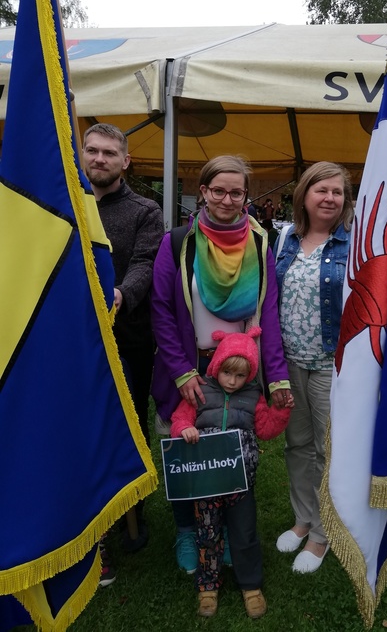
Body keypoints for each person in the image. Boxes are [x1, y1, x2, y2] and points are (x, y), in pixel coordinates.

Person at [150, 154, 292, 575]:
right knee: (185, 448)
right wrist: (181, 371)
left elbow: (269, 313)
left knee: (232, 450)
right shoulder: (178, 242)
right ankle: (187, 531)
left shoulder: (260, 243)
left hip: (238, 371)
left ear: (246, 196)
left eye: (236, 192)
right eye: (218, 191)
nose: (227, 200)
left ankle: (228, 531)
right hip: (188, 365)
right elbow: (161, 309)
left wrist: (276, 376)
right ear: (203, 192)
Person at [83, 123, 164, 573]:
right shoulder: (67, 204)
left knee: (129, 426)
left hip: (127, 338)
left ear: (125, 161)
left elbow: (145, 262)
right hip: (75, 340)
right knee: (83, 426)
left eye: (109, 153)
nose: (99, 158)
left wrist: (120, 293)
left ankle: (132, 508)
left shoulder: (144, 211)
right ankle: (87, 511)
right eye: (92, 150)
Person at [171, 327, 292, 618]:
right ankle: (208, 586)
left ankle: (251, 585)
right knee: (208, 532)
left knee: (244, 532)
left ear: (249, 374)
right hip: (206, 483)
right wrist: (184, 428)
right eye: (227, 373)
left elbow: (265, 430)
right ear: (216, 366)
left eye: (240, 375)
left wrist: (280, 412)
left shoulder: (253, 396)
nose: (233, 381)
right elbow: (180, 417)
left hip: (241, 483)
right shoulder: (201, 390)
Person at [273, 161, 353, 573]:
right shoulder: (285, 238)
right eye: (322, 190)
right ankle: (303, 517)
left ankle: (323, 532)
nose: (329, 198)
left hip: (329, 365)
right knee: (297, 445)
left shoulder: (353, 243)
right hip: (289, 363)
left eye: (337, 192)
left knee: (326, 450)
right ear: (304, 195)